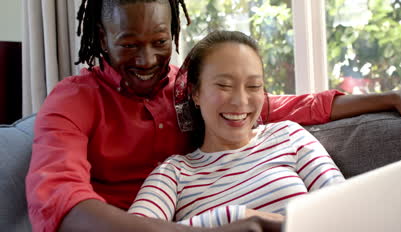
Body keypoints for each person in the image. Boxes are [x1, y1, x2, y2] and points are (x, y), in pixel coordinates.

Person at [25, 0, 401, 232]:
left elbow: (274, 107)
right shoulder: (72, 103)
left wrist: (391, 96)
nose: (147, 59)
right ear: (102, 37)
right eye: (129, 44)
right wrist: (229, 222)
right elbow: (64, 206)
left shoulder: (183, 85)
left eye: (160, 42)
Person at [127, 30, 346, 227]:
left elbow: (345, 211)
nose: (240, 101)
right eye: (224, 85)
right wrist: (235, 217)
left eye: (253, 86)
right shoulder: (173, 174)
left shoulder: (289, 136)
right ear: (195, 92)